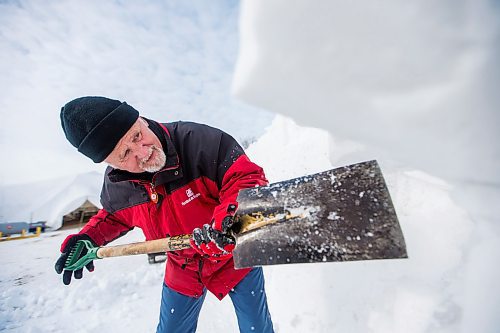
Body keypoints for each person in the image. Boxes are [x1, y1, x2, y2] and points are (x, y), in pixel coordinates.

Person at [54, 96, 275, 333]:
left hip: (233, 254)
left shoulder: (200, 142)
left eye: (136, 136)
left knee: (256, 327)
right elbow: (114, 216)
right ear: (111, 164)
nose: (142, 152)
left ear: (140, 119)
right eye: (125, 154)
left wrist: (231, 222)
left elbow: (245, 178)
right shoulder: (118, 186)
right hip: (183, 265)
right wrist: (88, 238)